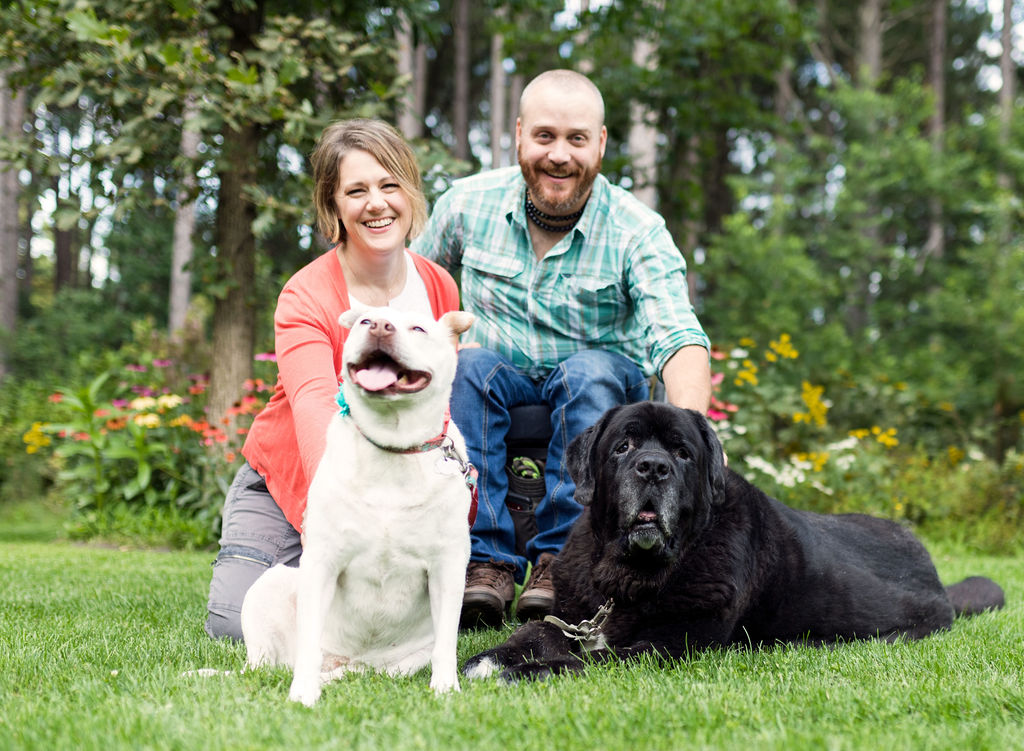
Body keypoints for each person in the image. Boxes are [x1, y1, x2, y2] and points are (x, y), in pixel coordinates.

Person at [411, 69, 712, 629]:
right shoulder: (466, 205)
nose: (559, 155)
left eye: (576, 139)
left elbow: (678, 335)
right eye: (544, 137)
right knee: (468, 363)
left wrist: (689, 432)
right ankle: (485, 560)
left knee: (587, 371)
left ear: (599, 144)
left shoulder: (637, 230)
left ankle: (558, 557)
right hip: (496, 378)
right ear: (519, 135)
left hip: (595, 388)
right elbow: (411, 289)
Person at [205, 119, 461, 641]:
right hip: (298, 478)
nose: (377, 203)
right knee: (236, 626)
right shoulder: (305, 295)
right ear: (333, 208)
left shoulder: (438, 285)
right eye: (356, 191)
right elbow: (315, 406)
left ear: (410, 194)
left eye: (390, 185)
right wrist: (340, 527)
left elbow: (437, 404)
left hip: (395, 488)